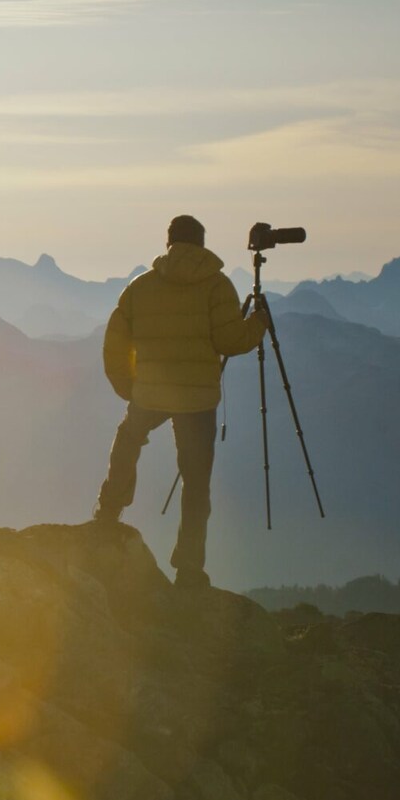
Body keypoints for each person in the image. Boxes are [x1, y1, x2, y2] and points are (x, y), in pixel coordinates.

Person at [92, 214, 268, 588]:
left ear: (168, 243)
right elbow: (230, 341)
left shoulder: (140, 287)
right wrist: (259, 323)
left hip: (150, 393)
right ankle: (189, 567)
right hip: (197, 401)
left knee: (128, 439)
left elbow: (114, 343)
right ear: (201, 244)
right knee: (196, 481)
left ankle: (109, 511)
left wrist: (128, 387)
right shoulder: (217, 286)